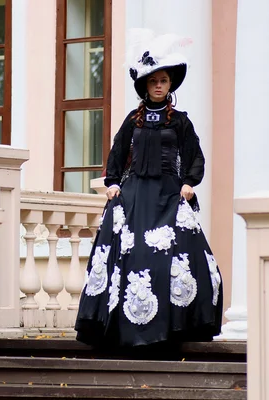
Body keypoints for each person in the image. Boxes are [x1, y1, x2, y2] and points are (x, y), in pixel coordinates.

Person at [75, 30, 223, 348]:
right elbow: (115, 156)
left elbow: (196, 159)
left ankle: (169, 331)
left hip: (169, 197)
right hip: (134, 198)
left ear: (170, 85)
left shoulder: (180, 122)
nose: (158, 86)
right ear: (145, 85)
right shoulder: (133, 120)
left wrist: (188, 185)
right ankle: (122, 331)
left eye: (164, 81)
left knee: (168, 261)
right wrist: (113, 184)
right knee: (132, 258)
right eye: (153, 81)